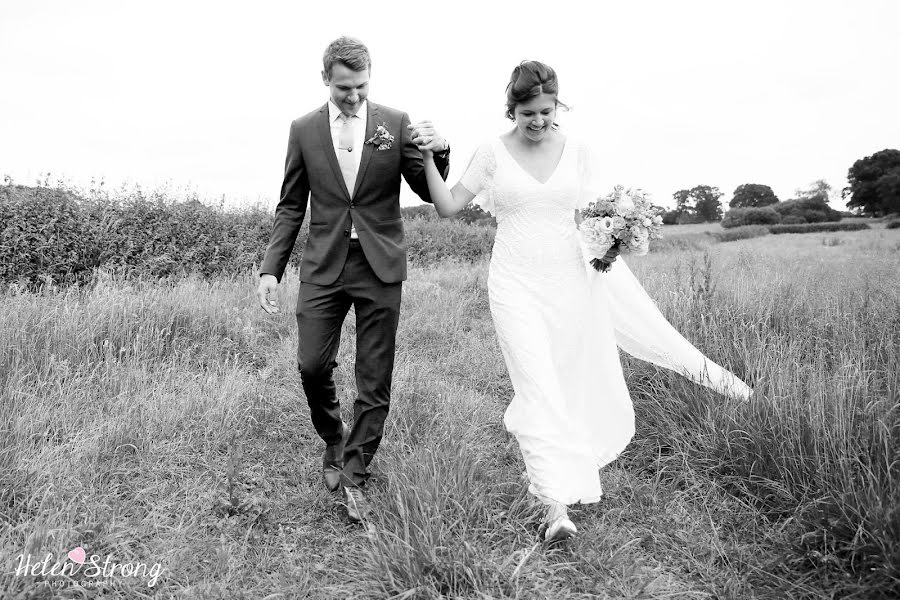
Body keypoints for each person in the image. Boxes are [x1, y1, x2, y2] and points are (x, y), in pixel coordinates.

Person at [419, 61, 752, 543]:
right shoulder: (491, 153)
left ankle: (564, 469)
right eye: (527, 113)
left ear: (559, 106)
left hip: (573, 282)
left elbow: (595, 217)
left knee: (569, 381)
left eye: (546, 112)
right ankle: (553, 505)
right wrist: (430, 157)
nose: (537, 122)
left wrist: (618, 237)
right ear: (511, 109)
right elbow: (448, 206)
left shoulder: (580, 152)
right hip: (513, 283)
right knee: (536, 385)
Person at [256, 37, 451, 523]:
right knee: (311, 365)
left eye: (362, 86)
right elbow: (290, 205)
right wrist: (271, 268)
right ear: (326, 79)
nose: (355, 97)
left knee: (374, 375)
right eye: (345, 88)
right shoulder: (303, 130)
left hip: (380, 263)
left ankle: (355, 471)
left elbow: (428, 191)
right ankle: (334, 438)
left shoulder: (395, 122)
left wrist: (440, 151)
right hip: (324, 265)